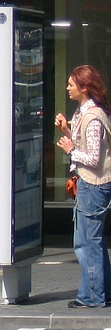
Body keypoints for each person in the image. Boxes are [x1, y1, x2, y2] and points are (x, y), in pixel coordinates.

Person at [55, 64, 111, 308]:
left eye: (71, 84)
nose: (67, 88)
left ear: (84, 88)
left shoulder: (93, 117)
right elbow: (86, 145)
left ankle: (93, 296)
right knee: (90, 240)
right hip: (90, 184)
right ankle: (101, 291)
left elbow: (94, 158)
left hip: (93, 185)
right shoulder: (85, 113)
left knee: (88, 241)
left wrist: (71, 151)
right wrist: (67, 130)